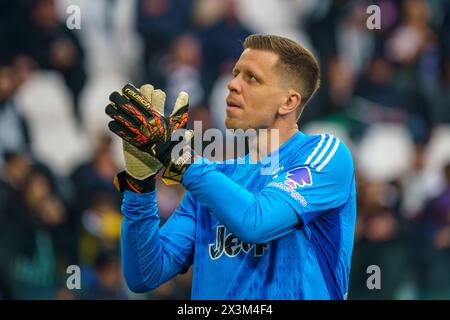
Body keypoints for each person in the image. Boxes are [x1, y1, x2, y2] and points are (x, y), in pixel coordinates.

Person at [105, 34, 356, 299]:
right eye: (235, 74)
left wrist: (176, 155)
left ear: (288, 102)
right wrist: (139, 186)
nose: (233, 84)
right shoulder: (214, 179)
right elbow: (144, 275)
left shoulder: (325, 154)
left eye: (252, 78)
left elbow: (256, 222)